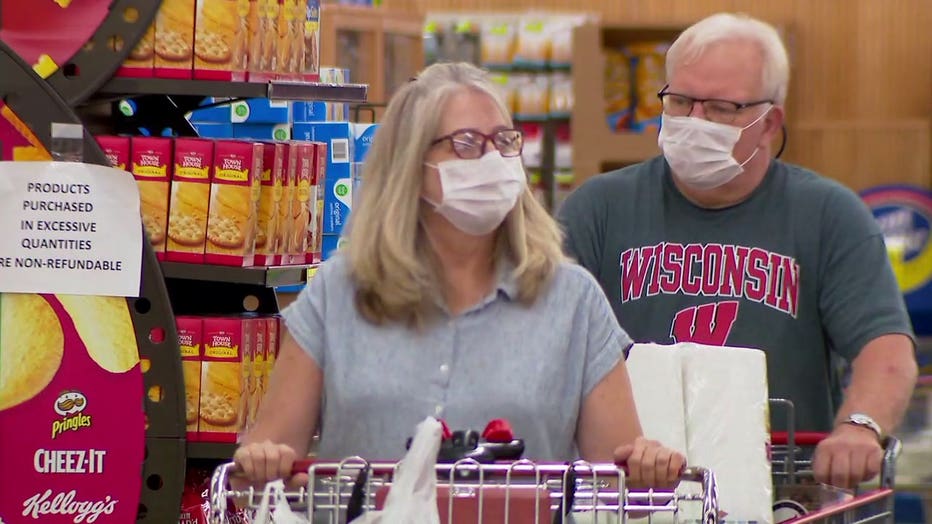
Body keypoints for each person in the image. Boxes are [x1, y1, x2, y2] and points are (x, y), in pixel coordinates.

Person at [234, 62, 685, 489]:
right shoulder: (338, 293)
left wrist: (647, 467)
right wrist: (261, 463)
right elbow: (269, 455)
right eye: (467, 143)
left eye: (504, 142)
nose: (493, 160)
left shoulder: (573, 300)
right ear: (411, 163)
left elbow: (615, 481)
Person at [558, 12, 918, 489]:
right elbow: (547, 340)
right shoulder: (597, 209)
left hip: (783, 492)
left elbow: (886, 351)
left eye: (722, 108)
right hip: (633, 491)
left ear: (770, 123)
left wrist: (860, 426)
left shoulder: (829, 215)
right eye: (681, 101)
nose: (694, 121)